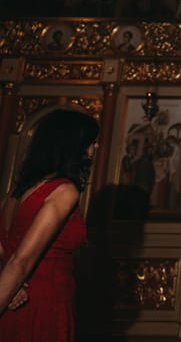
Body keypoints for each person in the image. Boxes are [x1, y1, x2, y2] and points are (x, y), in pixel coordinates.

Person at [0, 109, 99, 341]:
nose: (95, 147)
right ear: (73, 144)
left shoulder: (16, 192)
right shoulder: (63, 191)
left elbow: (4, 249)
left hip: (16, 298)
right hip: (42, 305)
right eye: (91, 141)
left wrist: (11, 288)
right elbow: (21, 261)